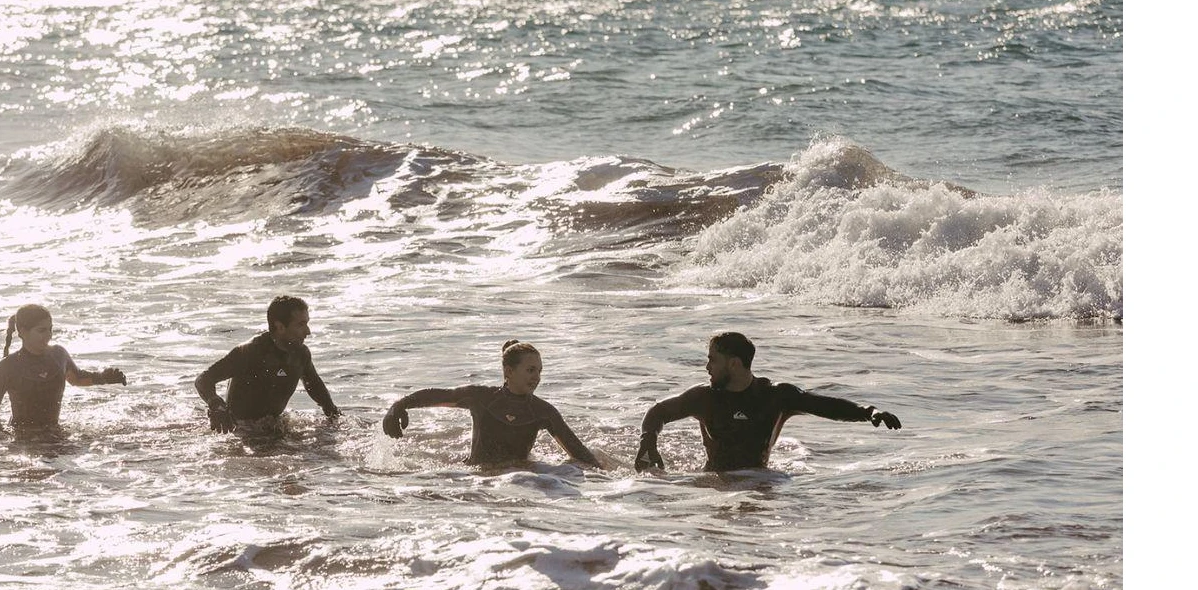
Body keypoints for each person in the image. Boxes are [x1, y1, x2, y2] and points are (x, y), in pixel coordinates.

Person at [635, 332, 901, 472]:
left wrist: (868, 412)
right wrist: (648, 444)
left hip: (759, 480)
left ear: (734, 364)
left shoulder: (775, 396)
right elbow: (657, 412)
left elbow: (827, 406)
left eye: (712, 360)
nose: (707, 367)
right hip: (714, 483)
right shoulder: (703, 398)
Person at [381, 340, 604, 468]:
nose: (536, 377)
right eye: (530, 370)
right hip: (476, 476)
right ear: (509, 371)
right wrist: (399, 406)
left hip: (519, 482)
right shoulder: (482, 398)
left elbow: (581, 455)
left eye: (539, 371)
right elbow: (439, 394)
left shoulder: (544, 412)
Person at [195, 295, 341, 436]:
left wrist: (333, 413)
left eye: (307, 323)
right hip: (240, 431)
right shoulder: (249, 352)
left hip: (275, 426)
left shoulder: (301, 354)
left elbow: (314, 385)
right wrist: (216, 404)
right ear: (280, 327)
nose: (308, 331)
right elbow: (203, 380)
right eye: (301, 324)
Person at [0, 304, 127, 436]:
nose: (49, 335)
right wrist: (6, 439)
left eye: (50, 329)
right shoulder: (8, 366)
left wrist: (103, 378)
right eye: (41, 330)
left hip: (55, 432)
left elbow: (76, 378)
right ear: (23, 332)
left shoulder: (58, 355)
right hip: (23, 438)